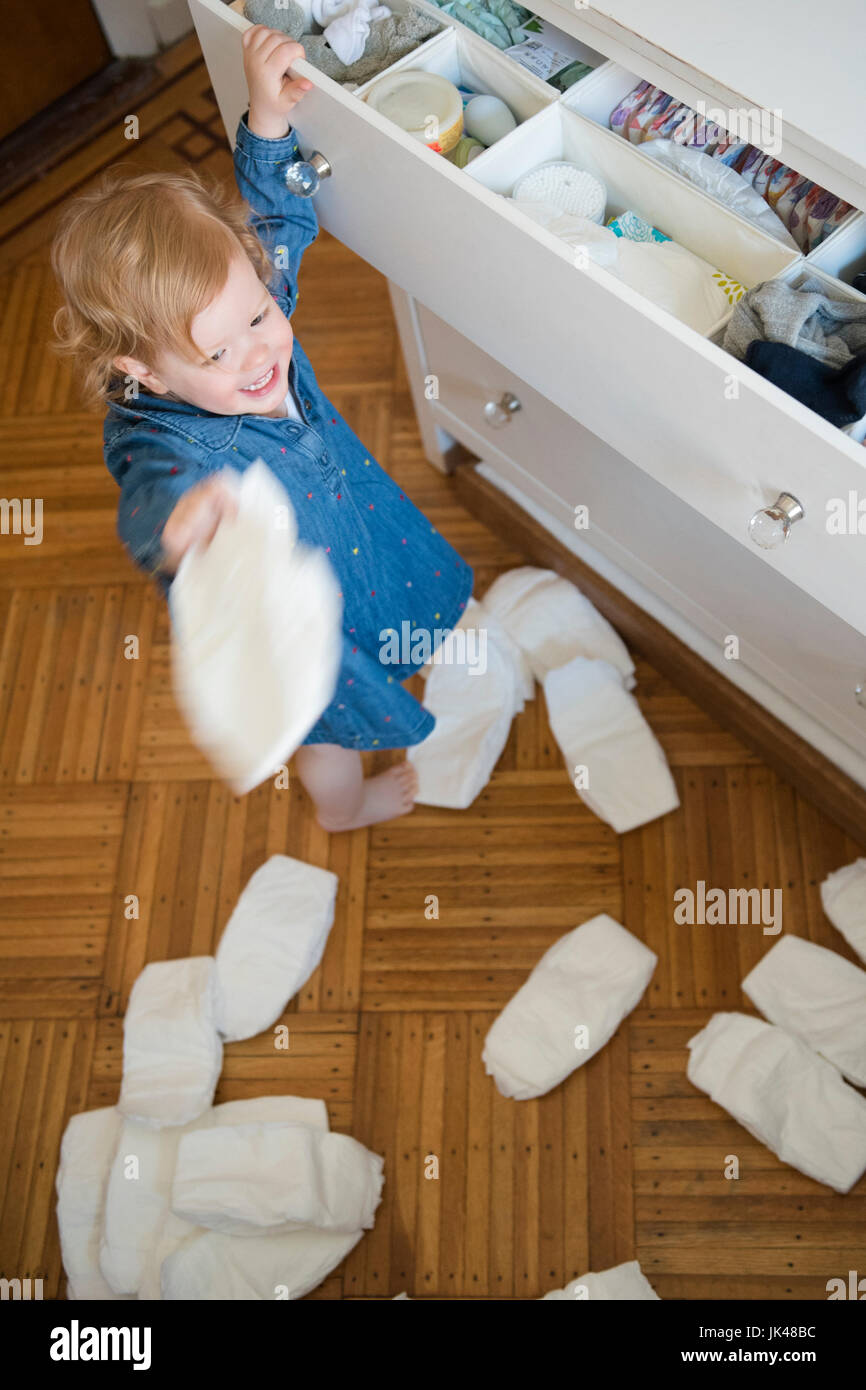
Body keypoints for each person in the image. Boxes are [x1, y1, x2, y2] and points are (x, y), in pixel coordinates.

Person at [52, 24, 473, 830]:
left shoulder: (251, 306)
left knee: (387, 609)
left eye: (255, 312)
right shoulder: (159, 438)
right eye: (217, 351)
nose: (258, 350)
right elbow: (149, 492)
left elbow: (277, 219)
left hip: (351, 525)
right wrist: (181, 522)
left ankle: (392, 663)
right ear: (143, 371)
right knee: (327, 728)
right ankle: (344, 811)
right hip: (286, 611)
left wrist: (267, 120)